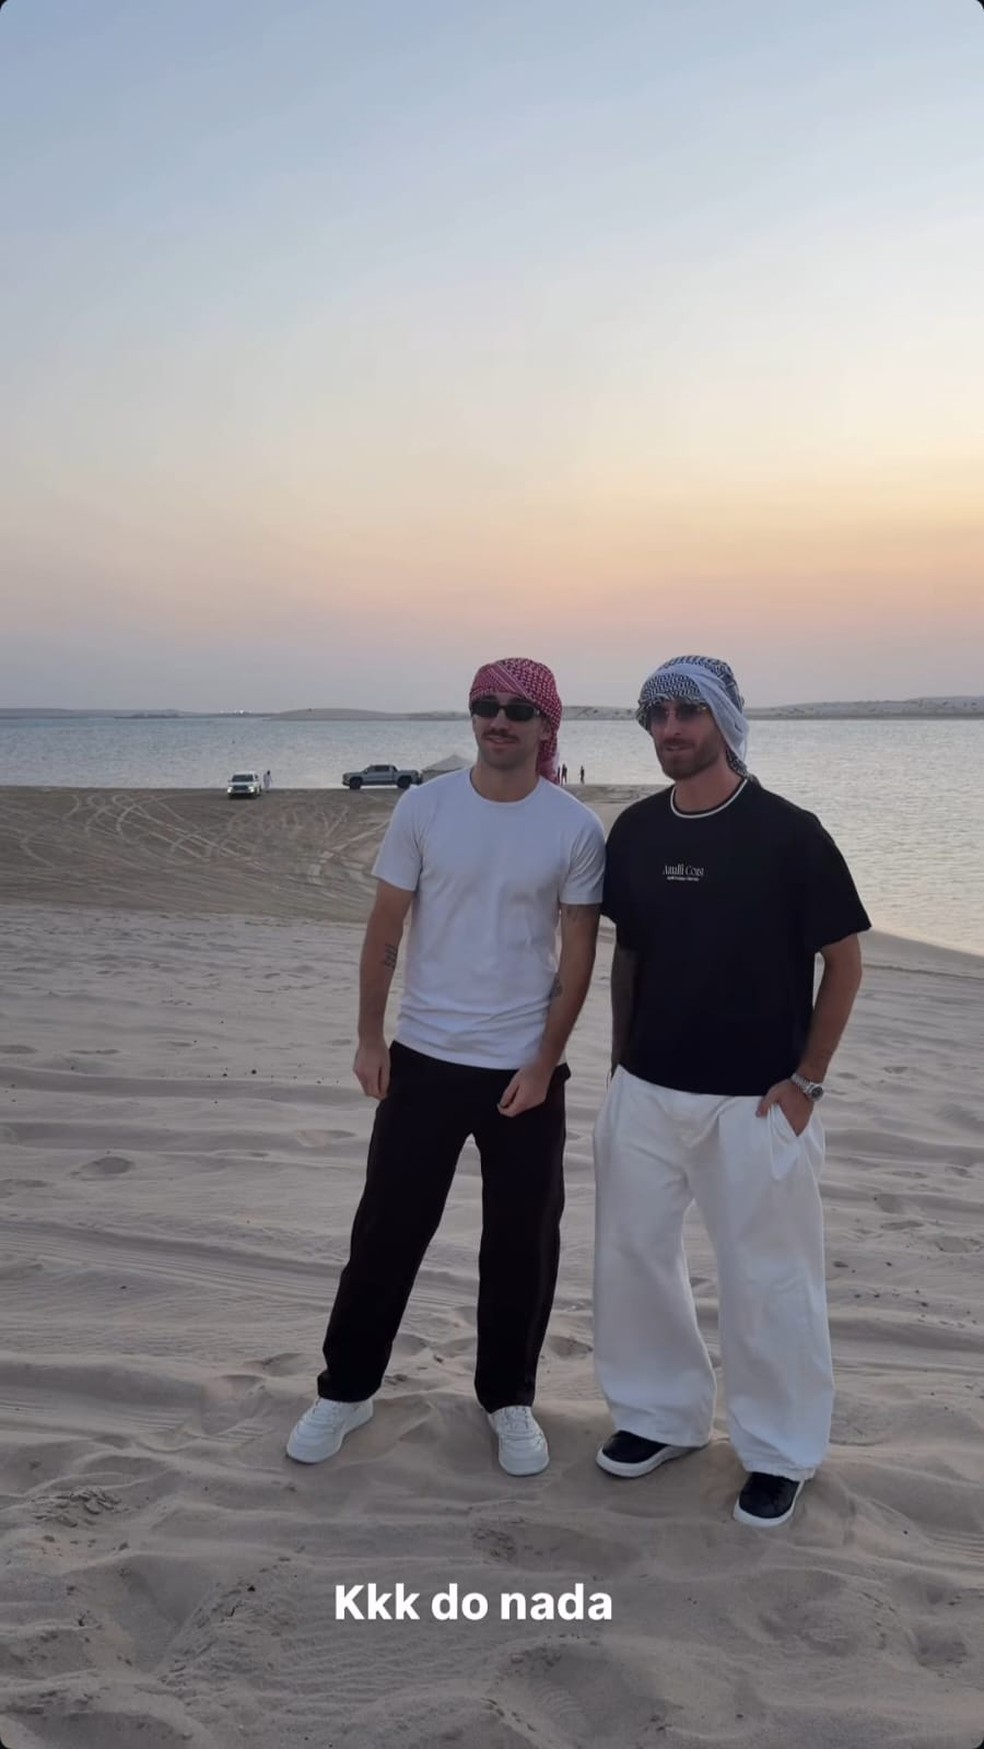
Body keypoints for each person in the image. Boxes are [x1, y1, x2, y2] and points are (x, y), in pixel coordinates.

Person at [287, 657, 606, 1476]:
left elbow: (577, 959)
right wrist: (369, 1036)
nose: (497, 720)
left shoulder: (573, 826)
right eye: (484, 705)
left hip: (522, 1073)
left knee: (522, 1246)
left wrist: (545, 1063)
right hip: (423, 1059)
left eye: (516, 709)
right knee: (387, 1234)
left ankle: (508, 1400)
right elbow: (385, 927)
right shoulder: (425, 807)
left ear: (545, 726)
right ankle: (346, 1389)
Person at [594, 654, 870, 1528]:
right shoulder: (635, 831)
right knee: (633, 1259)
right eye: (654, 715)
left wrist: (807, 1083)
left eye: (685, 711)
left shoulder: (789, 832)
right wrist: (617, 1072)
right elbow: (628, 955)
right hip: (645, 1091)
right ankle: (659, 1416)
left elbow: (845, 960)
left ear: (722, 718)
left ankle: (781, 1450)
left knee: (770, 1278)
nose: (669, 728)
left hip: (758, 1103)